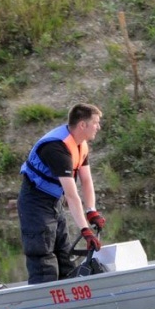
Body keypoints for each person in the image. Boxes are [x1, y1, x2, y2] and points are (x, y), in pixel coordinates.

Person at [18, 103, 107, 284]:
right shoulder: (57, 148)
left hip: (54, 202)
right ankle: (43, 304)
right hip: (35, 203)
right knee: (44, 258)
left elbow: (87, 181)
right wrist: (85, 230)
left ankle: (70, 299)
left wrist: (91, 210)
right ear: (82, 125)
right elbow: (72, 195)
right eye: (96, 122)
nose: (98, 127)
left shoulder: (80, 145)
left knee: (64, 254)